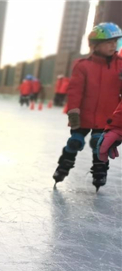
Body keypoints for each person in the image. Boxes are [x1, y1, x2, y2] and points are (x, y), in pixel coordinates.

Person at [52, 22, 122, 191]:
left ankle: (100, 172)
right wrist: (74, 113)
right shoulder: (83, 65)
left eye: (116, 42)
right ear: (95, 45)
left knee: (100, 145)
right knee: (75, 142)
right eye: (108, 42)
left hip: (107, 116)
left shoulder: (120, 65)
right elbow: (75, 91)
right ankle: (63, 167)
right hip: (83, 115)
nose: (113, 45)